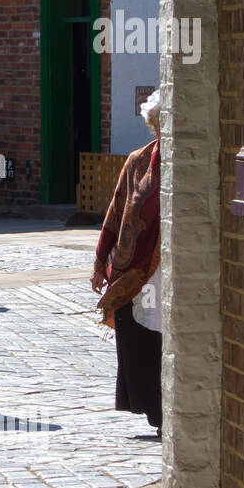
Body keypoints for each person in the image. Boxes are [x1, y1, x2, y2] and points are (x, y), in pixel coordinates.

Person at [92, 88, 163, 436]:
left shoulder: (191, 161)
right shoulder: (139, 161)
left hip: (169, 268)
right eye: (160, 123)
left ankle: (167, 409)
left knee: (165, 336)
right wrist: (100, 261)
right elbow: (117, 212)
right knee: (143, 337)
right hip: (137, 268)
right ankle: (153, 406)